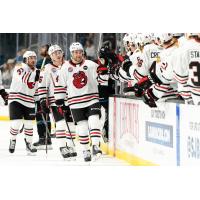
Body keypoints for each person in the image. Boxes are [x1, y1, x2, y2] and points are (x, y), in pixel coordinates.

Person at [54, 42, 103, 162]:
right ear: (71, 53)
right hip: (75, 102)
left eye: (80, 52)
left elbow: (102, 79)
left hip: (92, 98)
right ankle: (85, 149)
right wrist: (59, 100)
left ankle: (95, 145)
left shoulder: (91, 65)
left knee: (94, 119)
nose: (78, 54)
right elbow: (60, 85)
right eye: (76, 52)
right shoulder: (65, 68)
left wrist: (104, 70)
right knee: (83, 126)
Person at [38, 44, 77, 159]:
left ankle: (70, 146)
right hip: (55, 101)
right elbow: (42, 85)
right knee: (60, 124)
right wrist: (42, 100)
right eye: (55, 53)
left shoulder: (68, 65)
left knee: (71, 124)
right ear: (51, 56)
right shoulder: (47, 68)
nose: (58, 55)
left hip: (70, 100)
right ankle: (62, 147)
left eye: (59, 52)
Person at [8, 51, 39, 154]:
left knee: (29, 124)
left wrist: (40, 100)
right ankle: (12, 139)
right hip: (16, 98)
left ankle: (29, 145)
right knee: (16, 123)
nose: (33, 60)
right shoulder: (19, 67)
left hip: (29, 100)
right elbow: (25, 80)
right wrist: (36, 75)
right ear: (25, 59)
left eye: (34, 58)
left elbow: (37, 88)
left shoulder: (37, 71)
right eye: (30, 58)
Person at [33, 44, 53, 150]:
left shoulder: (46, 62)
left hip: (43, 93)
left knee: (41, 115)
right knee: (42, 115)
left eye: (43, 48)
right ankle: (45, 137)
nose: (41, 49)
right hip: (42, 92)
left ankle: (44, 138)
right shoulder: (44, 61)